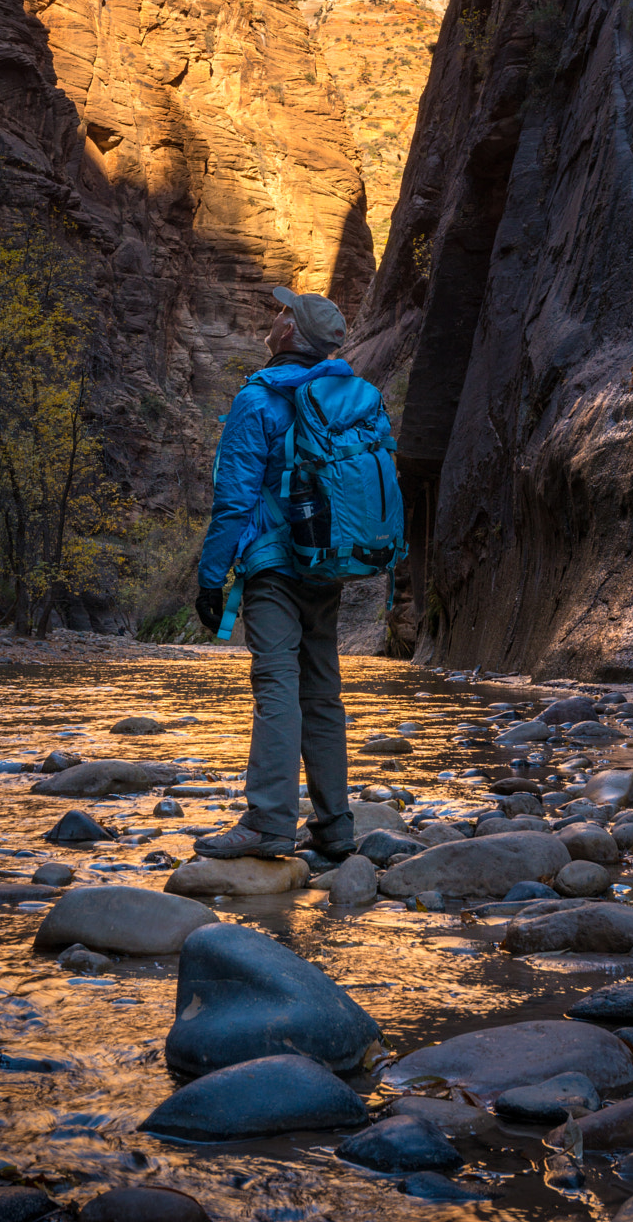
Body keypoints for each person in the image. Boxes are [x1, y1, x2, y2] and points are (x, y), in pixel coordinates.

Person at [193, 284, 357, 862]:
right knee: (323, 692)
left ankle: (267, 823)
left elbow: (233, 500)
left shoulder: (259, 399)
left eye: (284, 311)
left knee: (276, 687)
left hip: (272, 565)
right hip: (327, 563)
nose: (276, 315)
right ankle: (335, 827)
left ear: (290, 333)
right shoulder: (344, 396)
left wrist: (211, 578)